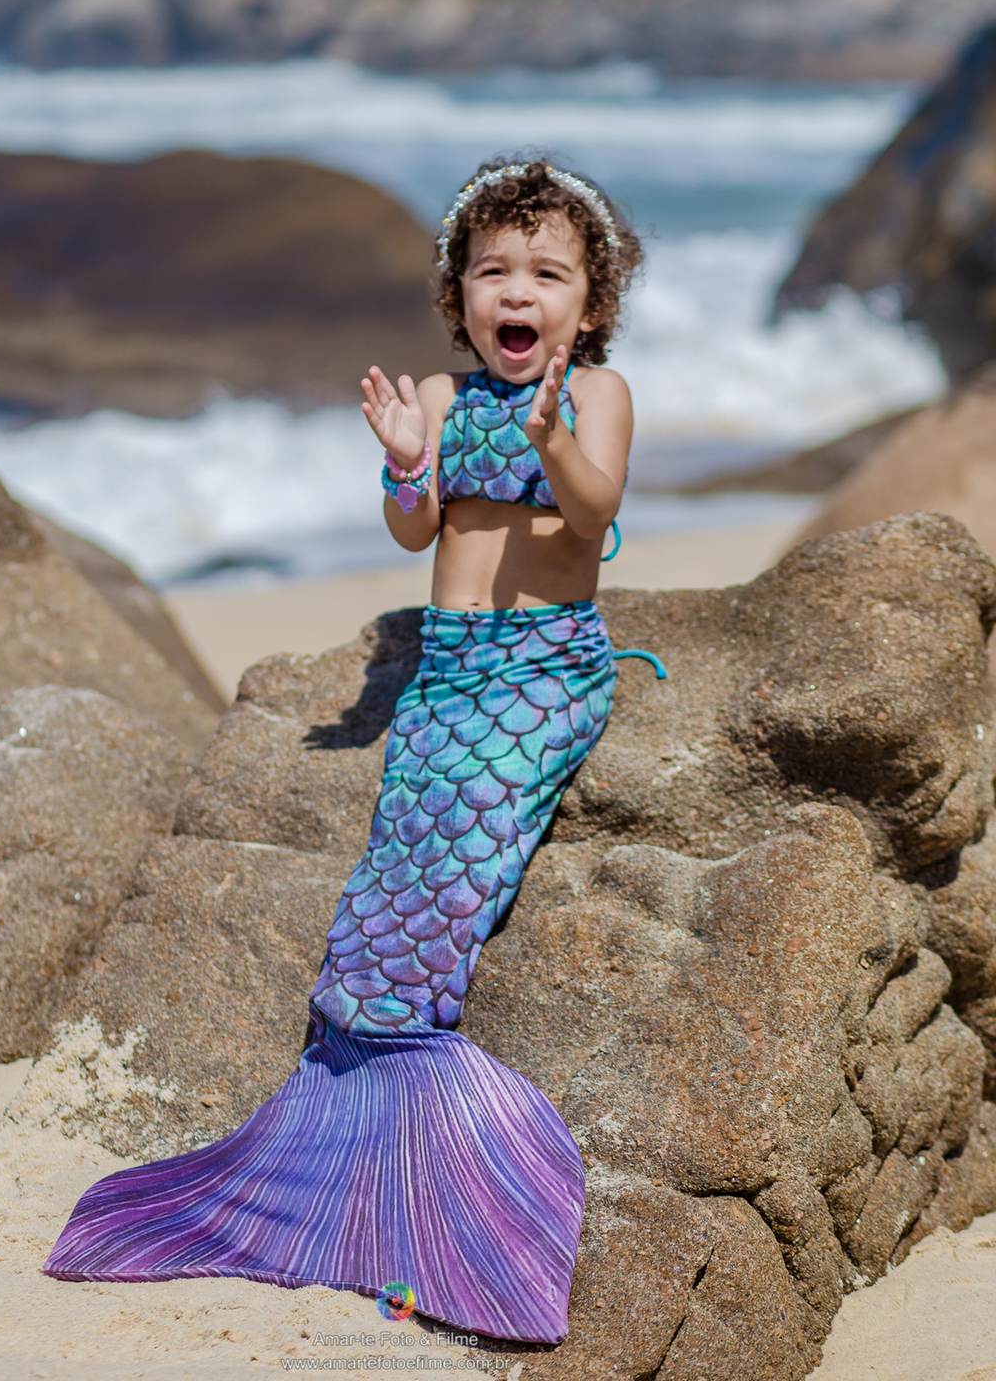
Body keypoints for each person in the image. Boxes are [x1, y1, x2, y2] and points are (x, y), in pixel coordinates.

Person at [44, 158, 663, 1344]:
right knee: (387, 879)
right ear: (460, 298)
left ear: (589, 308)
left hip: (543, 672)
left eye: (548, 274)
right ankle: (366, 1139)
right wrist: (400, 453)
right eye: (493, 273)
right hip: (445, 673)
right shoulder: (439, 392)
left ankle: (429, 1140)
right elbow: (414, 524)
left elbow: (592, 515)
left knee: (463, 856)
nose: (517, 292)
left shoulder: (601, 393)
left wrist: (555, 435)